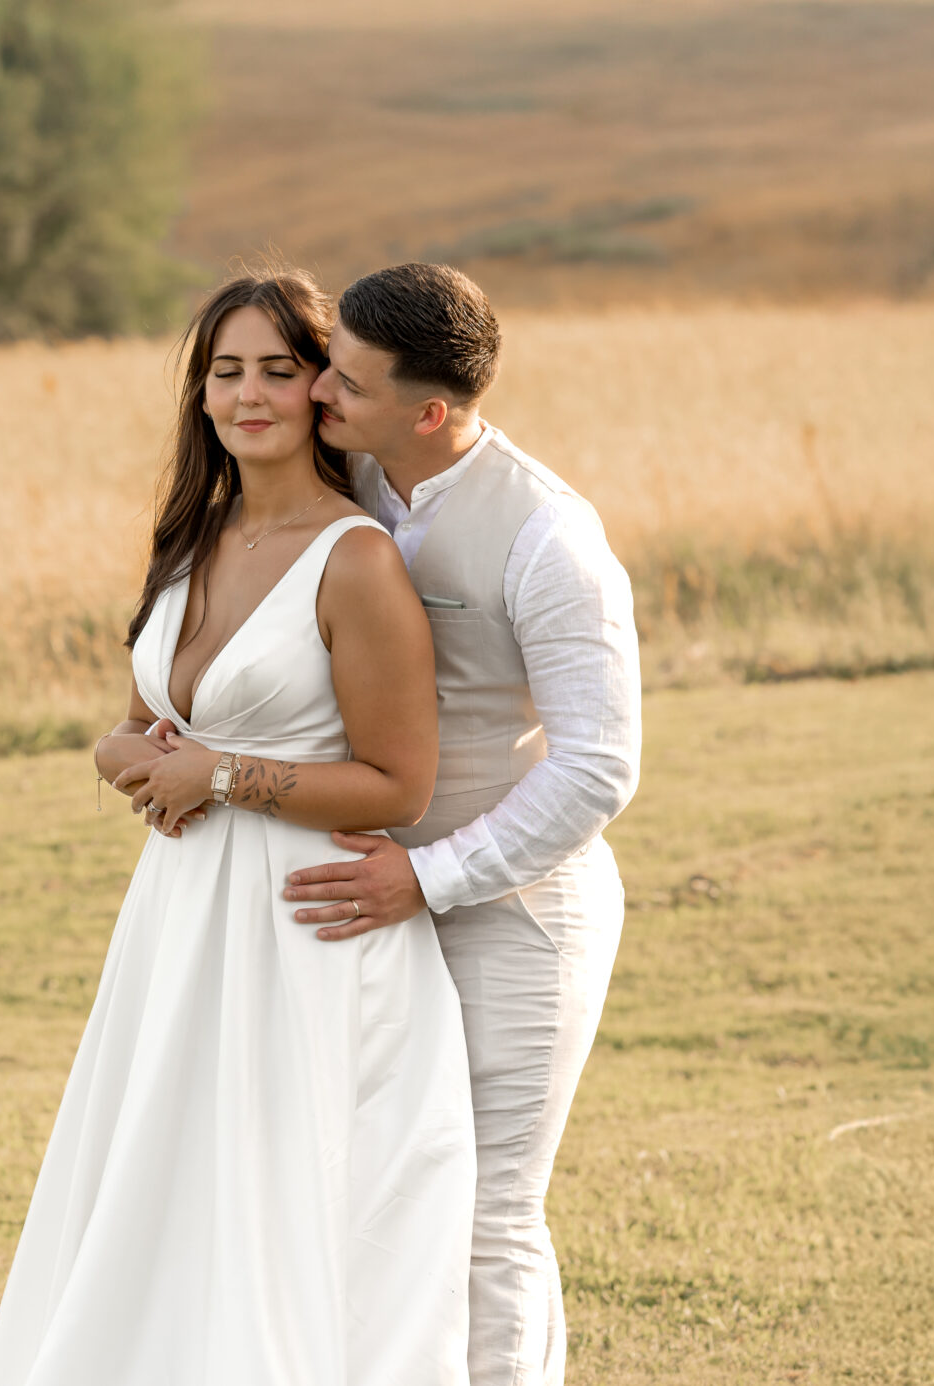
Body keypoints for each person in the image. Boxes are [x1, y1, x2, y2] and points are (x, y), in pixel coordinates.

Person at [0, 270, 475, 1386]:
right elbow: (136, 726)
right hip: (180, 919)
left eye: (277, 369)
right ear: (200, 394)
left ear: (323, 392)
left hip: (302, 928)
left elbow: (397, 780)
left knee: (267, 1203)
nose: (248, 393)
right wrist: (126, 757)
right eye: (224, 370)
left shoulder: (355, 557)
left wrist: (223, 774)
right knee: (160, 1185)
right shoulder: (193, 537)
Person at [282, 262, 642, 1386]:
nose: (315, 391)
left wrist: (429, 878)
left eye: (344, 379)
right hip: (369, 896)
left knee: (487, 1203)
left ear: (428, 411)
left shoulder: (548, 535)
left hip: (517, 916)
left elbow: (598, 767)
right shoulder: (344, 475)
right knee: (377, 1187)